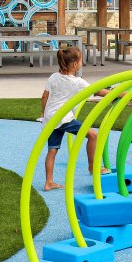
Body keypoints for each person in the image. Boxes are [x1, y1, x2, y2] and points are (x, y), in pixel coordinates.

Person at [41, 47, 111, 191]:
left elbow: (44, 96)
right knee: (92, 135)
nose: (82, 63)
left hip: (51, 118)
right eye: (81, 61)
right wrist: (118, 93)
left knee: (52, 150)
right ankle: (93, 167)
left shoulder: (53, 76)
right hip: (64, 118)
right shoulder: (77, 82)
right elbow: (97, 91)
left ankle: (49, 182)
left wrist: (44, 114)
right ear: (74, 64)